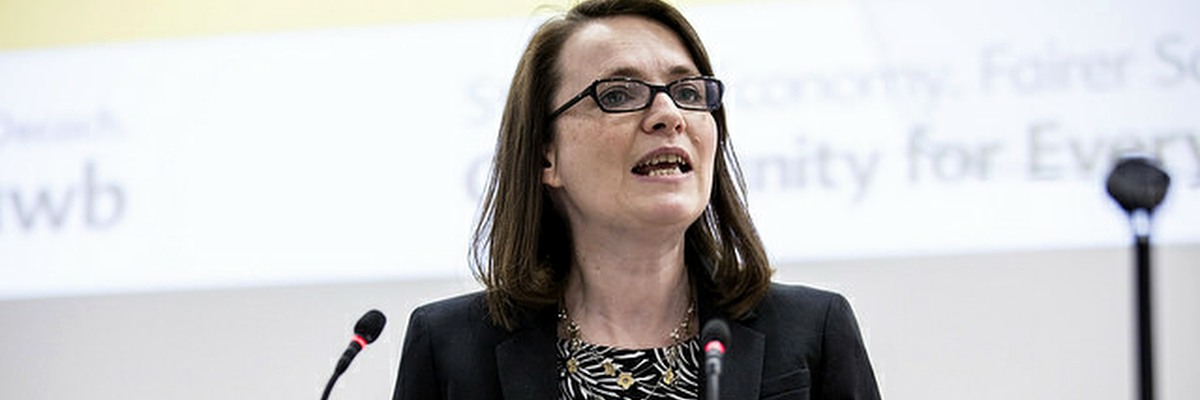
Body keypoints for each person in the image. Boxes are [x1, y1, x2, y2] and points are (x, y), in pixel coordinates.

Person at [392, 0, 880, 399]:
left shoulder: (812, 332)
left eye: (688, 91)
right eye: (618, 95)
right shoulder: (450, 348)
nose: (669, 114)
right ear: (546, 156)